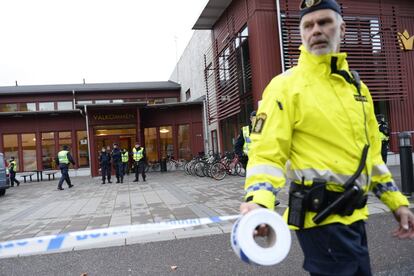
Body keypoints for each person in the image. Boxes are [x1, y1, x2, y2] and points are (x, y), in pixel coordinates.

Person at [240, 1, 414, 275]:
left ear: (342, 28)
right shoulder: (285, 87)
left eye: (324, 22)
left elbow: (372, 159)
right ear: (301, 33)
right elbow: (266, 153)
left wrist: (397, 203)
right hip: (319, 220)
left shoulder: (358, 88)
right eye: (308, 25)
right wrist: (259, 201)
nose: (316, 30)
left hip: (355, 216)